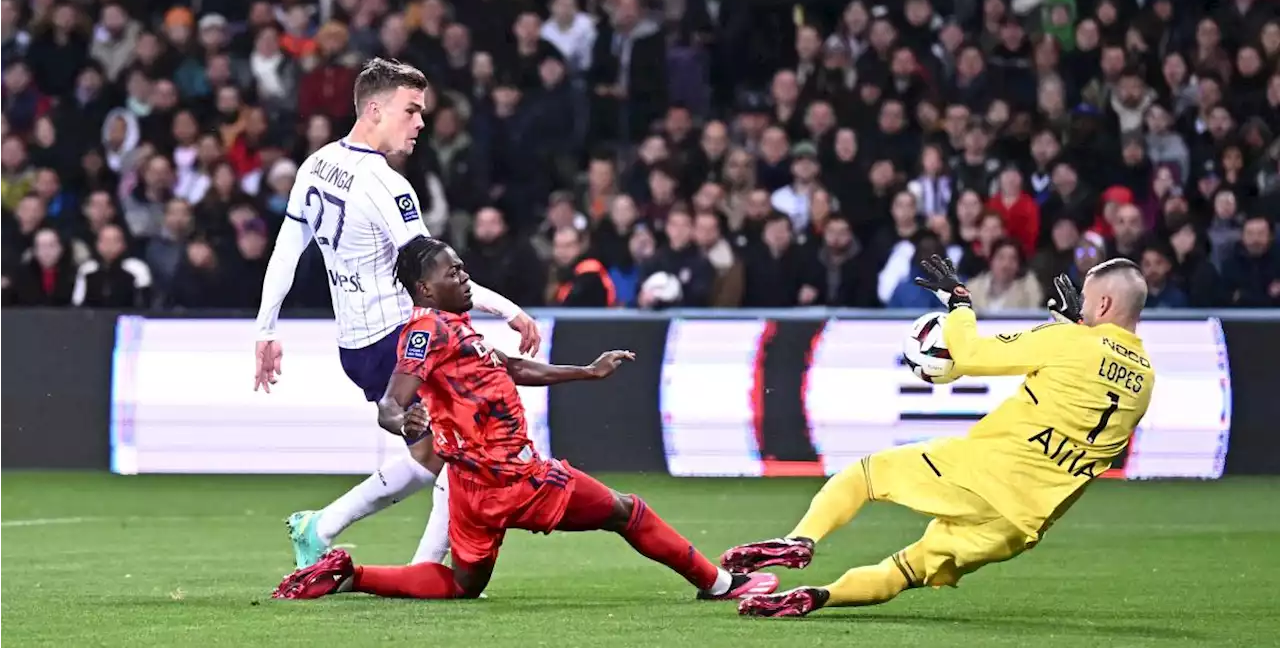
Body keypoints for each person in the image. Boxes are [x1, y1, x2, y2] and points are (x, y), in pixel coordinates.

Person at [272, 236, 779, 602]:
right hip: (515, 476)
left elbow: (511, 366)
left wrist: (584, 371)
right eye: (452, 274)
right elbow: (390, 401)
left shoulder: (453, 327)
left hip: (472, 489)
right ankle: (720, 584)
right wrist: (404, 422)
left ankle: (347, 574)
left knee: (462, 586)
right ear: (424, 290)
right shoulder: (426, 330)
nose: (464, 278)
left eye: (463, 268)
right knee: (628, 512)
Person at [726, 254, 1155, 618]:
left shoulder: (1070, 342)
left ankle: (800, 541)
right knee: (905, 569)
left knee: (866, 475)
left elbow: (969, 355)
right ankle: (818, 597)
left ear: (1103, 301)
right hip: (1021, 525)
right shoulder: (1145, 378)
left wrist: (960, 304)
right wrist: (1073, 325)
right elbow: (1086, 387)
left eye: (1085, 296)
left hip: (985, 476)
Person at [251, 58, 541, 572]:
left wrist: (266, 330)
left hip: (357, 347)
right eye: (412, 110)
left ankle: (320, 528)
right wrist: (508, 309)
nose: (421, 123)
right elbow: (437, 276)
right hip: (402, 340)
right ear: (376, 109)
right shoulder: (384, 184)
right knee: (464, 456)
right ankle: (424, 573)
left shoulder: (315, 164)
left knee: (431, 457)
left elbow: (285, 251)